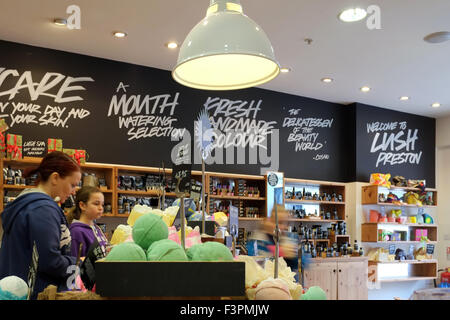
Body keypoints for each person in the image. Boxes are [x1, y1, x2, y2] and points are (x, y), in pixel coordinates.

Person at [0, 151, 81, 299]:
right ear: (55, 178)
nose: (74, 191)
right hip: (37, 292)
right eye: (72, 184)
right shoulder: (43, 209)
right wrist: (75, 264)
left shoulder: (28, 203)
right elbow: (49, 261)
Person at [247, 204, 299, 280]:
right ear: (268, 220)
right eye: (279, 222)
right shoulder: (257, 239)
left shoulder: (290, 238)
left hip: (288, 286)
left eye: (285, 223)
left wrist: (294, 256)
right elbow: (254, 261)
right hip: (265, 285)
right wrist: (280, 252)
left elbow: (304, 263)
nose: (282, 227)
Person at [67, 186, 109, 259]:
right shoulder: (76, 232)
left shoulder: (96, 228)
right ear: (82, 205)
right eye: (96, 204)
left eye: (102, 204)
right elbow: (75, 263)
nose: (101, 208)